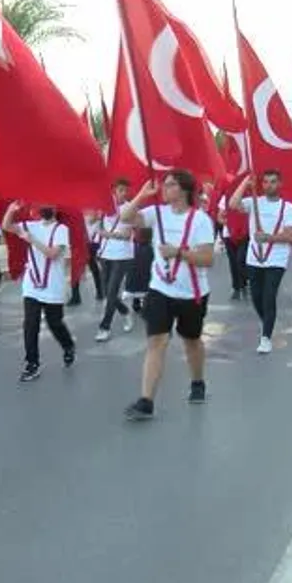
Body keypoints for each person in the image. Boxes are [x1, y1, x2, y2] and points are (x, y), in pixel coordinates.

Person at [117, 170, 215, 420]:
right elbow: (125, 218)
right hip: (160, 288)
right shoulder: (156, 213)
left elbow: (207, 258)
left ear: (183, 190)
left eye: (170, 185)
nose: (164, 188)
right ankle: (146, 401)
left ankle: (197, 381)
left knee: (191, 341)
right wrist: (141, 195)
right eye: (164, 185)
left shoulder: (201, 220)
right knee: (156, 341)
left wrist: (179, 253)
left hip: (192, 293)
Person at [3, 202, 76, 381]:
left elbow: (53, 254)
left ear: (55, 208)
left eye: (48, 204)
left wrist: (31, 240)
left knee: (55, 323)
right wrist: (11, 211)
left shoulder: (61, 229)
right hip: (32, 284)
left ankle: (68, 345)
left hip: (53, 285)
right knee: (30, 324)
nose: (44, 207)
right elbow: (7, 226)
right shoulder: (30, 225)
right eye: (42, 203)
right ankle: (32, 363)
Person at [229, 171, 292, 352]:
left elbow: (291, 235)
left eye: (273, 182)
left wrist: (269, 238)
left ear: (280, 184)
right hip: (255, 258)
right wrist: (245, 183)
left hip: (276, 259)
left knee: (269, 296)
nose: (269, 185)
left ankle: (266, 337)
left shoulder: (288, 207)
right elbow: (232, 204)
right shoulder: (254, 202)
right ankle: (268, 322)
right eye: (265, 182)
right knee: (257, 297)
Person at [94, 179, 136, 342]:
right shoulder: (105, 206)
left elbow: (126, 235)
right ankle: (125, 311)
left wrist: (108, 234)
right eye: (121, 190)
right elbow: (97, 228)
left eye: (126, 190)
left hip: (122, 255)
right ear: (114, 191)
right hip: (105, 253)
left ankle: (105, 327)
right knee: (107, 291)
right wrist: (100, 223)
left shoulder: (129, 208)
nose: (124, 193)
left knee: (112, 291)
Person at [217, 190, 249, 300]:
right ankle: (236, 288)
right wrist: (229, 222)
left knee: (241, 259)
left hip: (245, 234)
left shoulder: (249, 198)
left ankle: (244, 283)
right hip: (229, 234)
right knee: (233, 262)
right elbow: (220, 218)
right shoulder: (225, 197)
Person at [70, 209, 104, 307]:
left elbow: (93, 219)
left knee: (93, 268)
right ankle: (76, 296)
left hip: (91, 245)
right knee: (77, 270)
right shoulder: (81, 214)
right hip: (81, 244)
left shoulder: (99, 221)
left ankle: (99, 291)